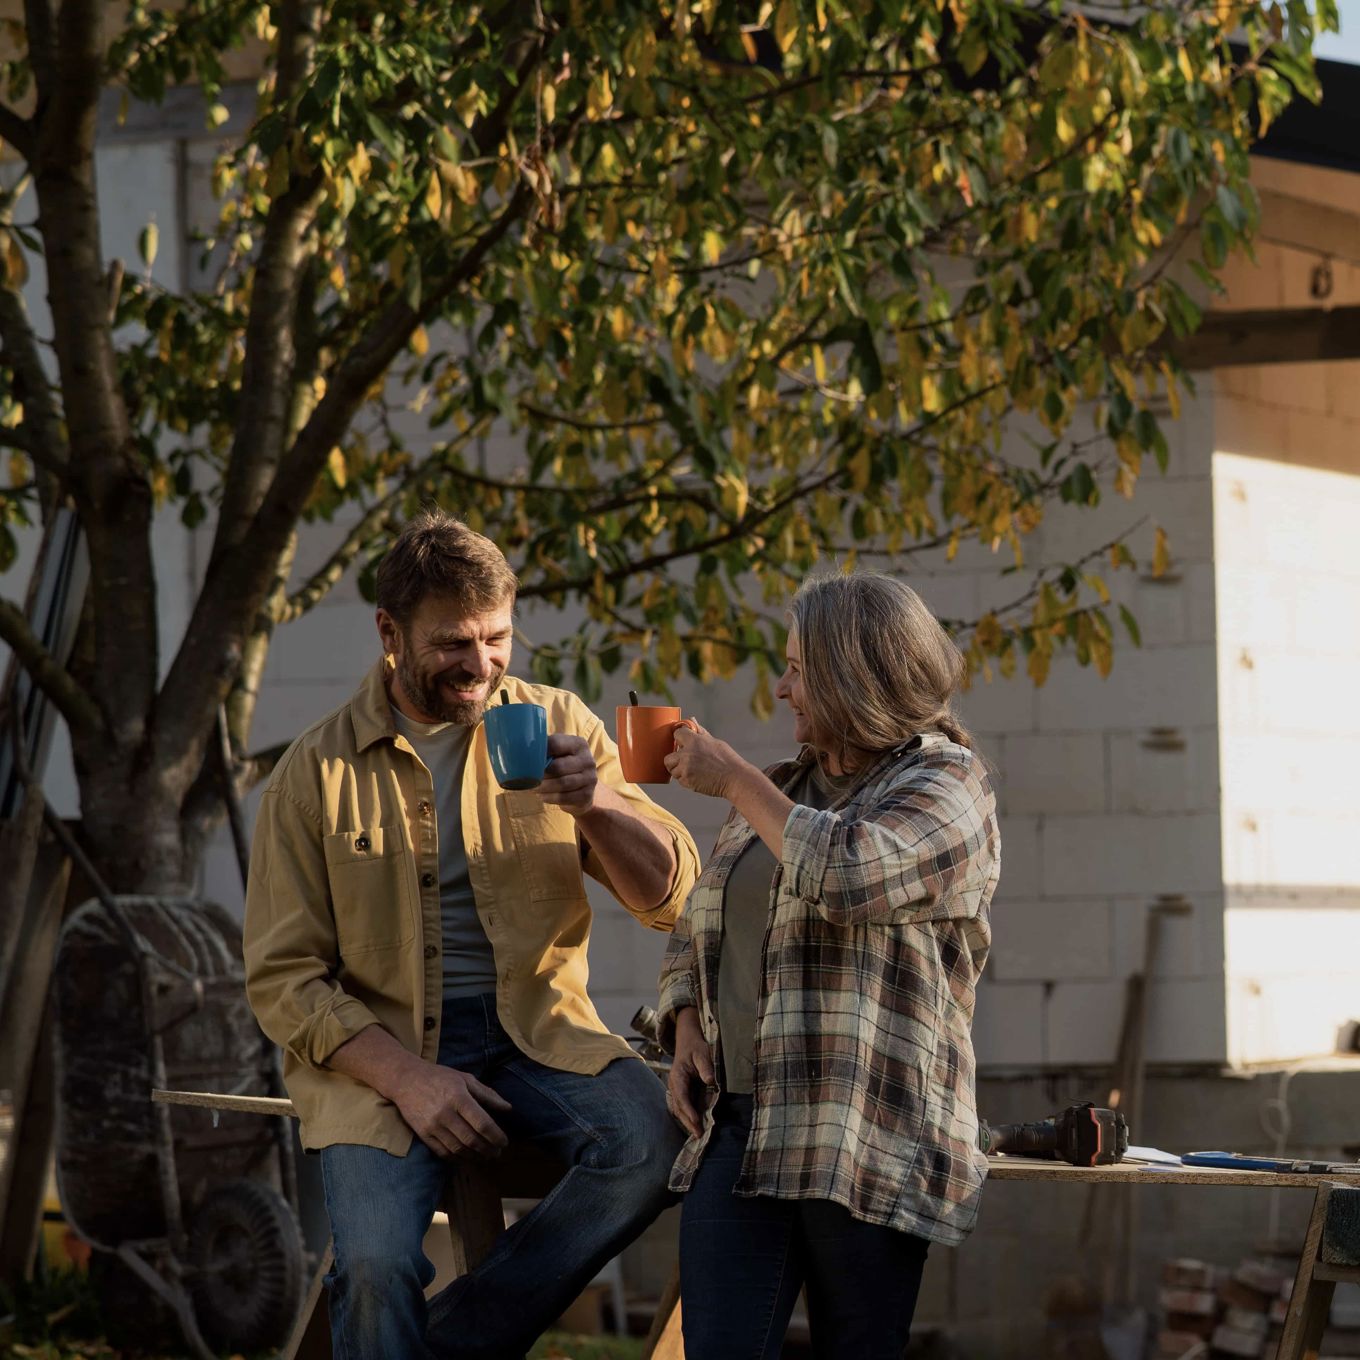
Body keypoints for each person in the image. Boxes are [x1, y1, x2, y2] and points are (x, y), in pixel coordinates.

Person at [243, 509, 699, 1360]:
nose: (481, 665)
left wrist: (595, 803)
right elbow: (282, 980)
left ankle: (456, 1344)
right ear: (389, 633)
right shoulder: (313, 774)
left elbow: (673, 894)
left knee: (655, 1148)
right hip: (377, 1056)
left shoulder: (560, 723)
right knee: (375, 1269)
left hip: (539, 1032)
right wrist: (413, 1080)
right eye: (454, 642)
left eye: (497, 639)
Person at [656, 570, 1000, 1360]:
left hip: (866, 1126)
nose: (782, 690)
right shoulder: (788, 789)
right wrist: (682, 1020)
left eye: (799, 670)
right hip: (743, 1124)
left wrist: (735, 780)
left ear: (853, 674)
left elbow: (850, 875)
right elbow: (701, 917)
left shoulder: (947, 784)